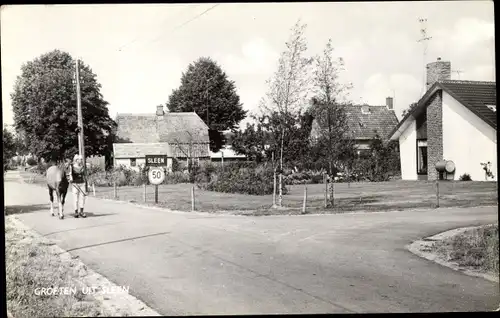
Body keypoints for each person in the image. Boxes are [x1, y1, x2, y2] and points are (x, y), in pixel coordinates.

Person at [69, 154, 87, 218]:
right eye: (80, 159)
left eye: (82, 159)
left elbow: (85, 175)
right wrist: (71, 178)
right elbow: (70, 174)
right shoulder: (72, 166)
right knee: (75, 199)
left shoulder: (83, 166)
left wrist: (87, 184)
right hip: (75, 184)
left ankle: (81, 212)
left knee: (82, 198)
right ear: (76, 160)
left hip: (82, 183)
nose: (82, 160)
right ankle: (76, 212)